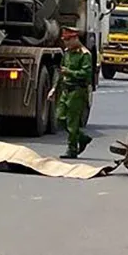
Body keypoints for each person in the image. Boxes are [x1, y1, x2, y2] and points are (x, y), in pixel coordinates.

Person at [48, 26, 93, 159]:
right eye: (64, 40)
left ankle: (72, 149)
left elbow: (86, 74)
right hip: (65, 90)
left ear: (75, 38)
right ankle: (82, 138)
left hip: (77, 91)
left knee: (72, 123)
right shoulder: (67, 53)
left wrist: (70, 72)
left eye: (68, 40)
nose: (66, 43)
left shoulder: (85, 55)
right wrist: (54, 89)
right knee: (59, 118)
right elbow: (61, 72)